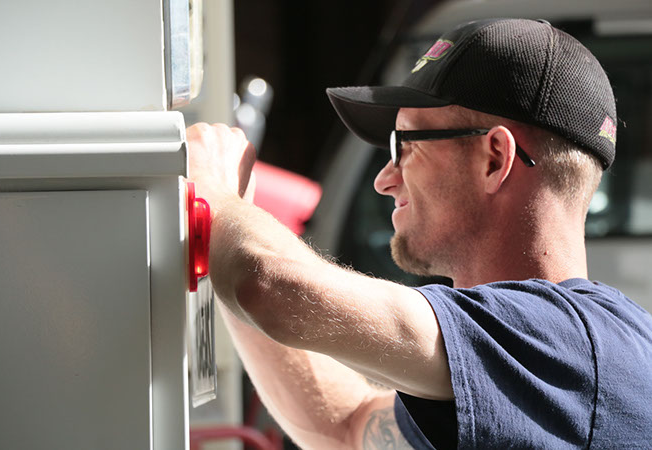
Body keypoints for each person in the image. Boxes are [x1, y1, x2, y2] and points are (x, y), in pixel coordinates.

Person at [187, 18, 652, 449]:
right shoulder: (550, 361)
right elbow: (342, 427)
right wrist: (229, 211)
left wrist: (209, 188)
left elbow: (269, 285)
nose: (384, 179)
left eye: (405, 145)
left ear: (494, 159)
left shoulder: (569, 342)